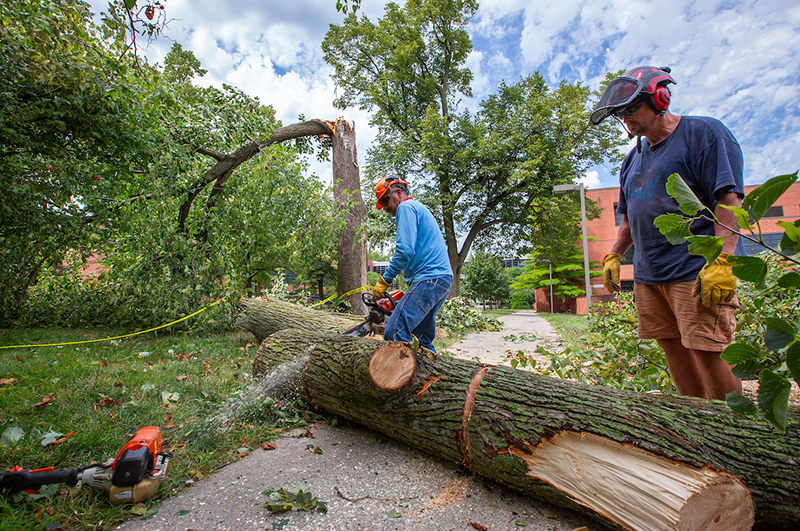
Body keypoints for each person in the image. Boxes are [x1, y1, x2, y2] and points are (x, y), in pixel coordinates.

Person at [590, 66, 743, 400]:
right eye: (620, 113)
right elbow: (629, 218)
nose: (625, 118)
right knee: (672, 347)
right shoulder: (632, 159)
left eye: (631, 108)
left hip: (695, 270)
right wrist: (615, 253)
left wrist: (723, 261)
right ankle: (696, 420)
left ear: (659, 97)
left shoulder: (704, 134)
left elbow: (728, 200)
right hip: (650, 275)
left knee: (708, 349)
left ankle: (736, 434)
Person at [372, 176, 453, 353]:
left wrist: (385, 280)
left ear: (399, 193)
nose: (385, 207)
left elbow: (404, 251)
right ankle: (432, 378)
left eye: (385, 200)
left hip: (429, 279)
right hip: (441, 279)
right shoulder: (417, 208)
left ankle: (402, 379)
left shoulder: (406, 207)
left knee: (395, 332)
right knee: (422, 339)